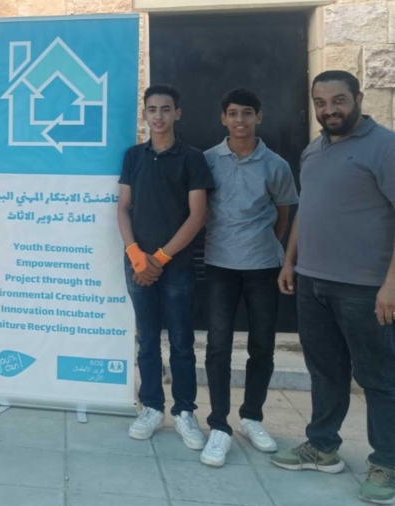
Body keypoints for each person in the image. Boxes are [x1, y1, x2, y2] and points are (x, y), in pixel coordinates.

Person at [273, 70, 395, 504]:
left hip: (365, 288)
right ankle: (322, 446)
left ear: (358, 98)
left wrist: (391, 284)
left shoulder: (385, 146)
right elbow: (306, 209)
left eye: (339, 100)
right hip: (313, 281)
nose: (329, 110)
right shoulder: (314, 149)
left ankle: (388, 463)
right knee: (325, 371)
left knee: (379, 378)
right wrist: (291, 261)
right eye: (321, 103)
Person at [199, 89, 299, 467]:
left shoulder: (276, 165)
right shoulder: (208, 160)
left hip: (262, 266)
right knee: (218, 347)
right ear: (223, 118)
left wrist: (266, 246)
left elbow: (284, 214)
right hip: (219, 265)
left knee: (262, 346)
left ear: (259, 116)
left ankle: (252, 417)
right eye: (233, 114)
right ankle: (219, 424)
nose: (239, 120)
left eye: (246, 113)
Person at [118, 84, 214, 450]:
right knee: (146, 340)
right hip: (138, 264)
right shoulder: (133, 156)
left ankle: (185, 411)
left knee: (181, 341)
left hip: (176, 266)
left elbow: (198, 215)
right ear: (144, 114)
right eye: (152, 109)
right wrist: (137, 256)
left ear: (178, 113)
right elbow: (122, 208)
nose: (158, 116)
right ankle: (152, 407)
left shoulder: (192, 158)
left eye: (165, 109)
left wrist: (157, 259)